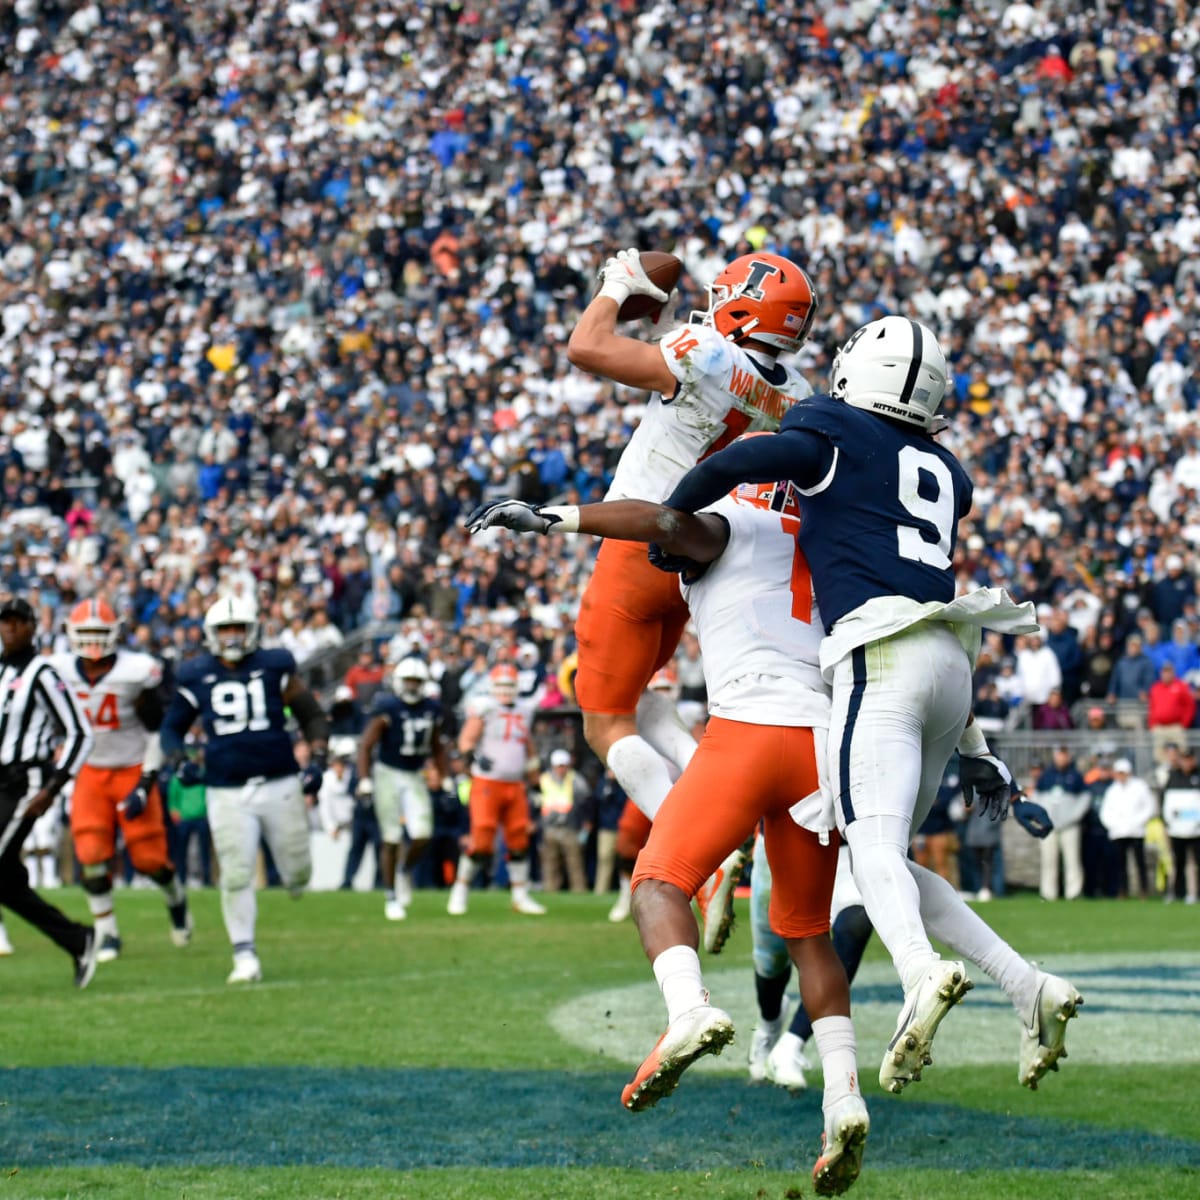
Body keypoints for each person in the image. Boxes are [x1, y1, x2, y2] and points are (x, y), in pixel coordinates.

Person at [657, 315, 1081, 1094]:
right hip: (951, 664)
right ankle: (1028, 987)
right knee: (882, 854)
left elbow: (752, 456)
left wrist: (672, 516)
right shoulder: (949, 470)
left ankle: (921, 972)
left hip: (878, 656)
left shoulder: (834, 427)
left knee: (873, 851)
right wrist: (979, 752)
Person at [469, 477, 869, 1195]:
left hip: (747, 734)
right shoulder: (837, 535)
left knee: (658, 881)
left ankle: (688, 1009)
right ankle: (843, 1096)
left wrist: (554, 518)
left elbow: (660, 520)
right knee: (810, 934)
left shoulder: (733, 520)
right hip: (823, 742)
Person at [557, 248, 818, 951]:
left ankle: (696, 854)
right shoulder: (797, 393)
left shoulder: (703, 352)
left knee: (604, 721)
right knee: (647, 700)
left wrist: (617, 285)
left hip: (644, 537)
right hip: (710, 558)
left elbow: (588, 345)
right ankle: (702, 819)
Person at [160, 594, 329, 983]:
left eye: (239, 628)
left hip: (280, 782)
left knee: (298, 873)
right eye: (225, 629)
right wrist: (178, 759)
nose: (233, 636)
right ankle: (244, 955)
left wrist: (317, 759)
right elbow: (172, 728)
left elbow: (311, 715)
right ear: (211, 634)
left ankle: (294, 881)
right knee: (235, 874)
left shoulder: (276, 666)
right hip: (226, 789)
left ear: (253, 631)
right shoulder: (195, 674)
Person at [51, 598, 191, 962]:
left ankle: (176, 899)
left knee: (148, 858)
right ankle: (107, 931)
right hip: (89, 769)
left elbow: (156, 730)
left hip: (130, 766)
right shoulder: (57, 669)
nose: (93, 641)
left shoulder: (137, 671)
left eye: (100, 632)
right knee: (91, 852)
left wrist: (145, 783)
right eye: (87, 633)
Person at [0, 596, 97, 987]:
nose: (8, 628)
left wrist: (55, 786)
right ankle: (77, 940)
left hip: (27, 782)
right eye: (4, 621)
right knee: (4, 883)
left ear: (32, 627)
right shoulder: (2, 672)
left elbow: (80, 732)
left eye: (16, 621)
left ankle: (78, 940)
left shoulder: (44, 673)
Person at [447, 663, 546, 917]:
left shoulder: (525, 711)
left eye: (509, 685)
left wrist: (535, 784)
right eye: (500, 685)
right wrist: (474, 758)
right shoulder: (484, 708)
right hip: (487, 783)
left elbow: (529, 748)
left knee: (519, 839)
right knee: (481, 840)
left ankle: (520, 896)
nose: (505, 691)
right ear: (492, 687)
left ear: (517, 688)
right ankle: (460, 890)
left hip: (515, 784)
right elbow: (466, 741)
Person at [355, 657, 448, 921]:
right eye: (408, 680)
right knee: (392, 838)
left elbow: (437, 746)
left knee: (422, 834)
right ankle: (391, 896)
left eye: (416, 681)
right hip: (387, 774)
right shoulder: (388, 707)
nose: (412, 686)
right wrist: (364, 778)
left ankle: (404, 871)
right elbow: (366, 745)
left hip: (415, 775)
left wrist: (444, 775)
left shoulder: (432, 708)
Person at [1033, 746, 1091, 901]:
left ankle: (1074, 892)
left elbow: (1084, 799)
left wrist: (1072, 817)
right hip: (1048, 825)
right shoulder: (1046, 776)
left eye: (1064, 755)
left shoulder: (1076, 775)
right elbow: (1037, 796)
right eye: (1059, 755)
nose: (1062, 758)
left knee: (1072, 860)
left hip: (1069, 825)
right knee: (1048, 860)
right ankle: (1048, 893)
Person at [1099, 758, 1158, 898]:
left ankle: (1144, 890)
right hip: (1118, 832)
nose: (1121, 776)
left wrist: (1138, 822)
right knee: (1120, 864)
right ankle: (1122, 890)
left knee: (1140, 862)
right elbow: (1106, 812)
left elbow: (1149, 806)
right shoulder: (1112, 790)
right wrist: (1113, 825)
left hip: (1136, 831)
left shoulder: (1140, 786)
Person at [537, 748, 590, 893]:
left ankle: (579, 893)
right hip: (550, 827)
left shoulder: (576, 779)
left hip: (570, 827)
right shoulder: (544, 779)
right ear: (553, 766)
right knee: (550, 865)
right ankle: (550, 892)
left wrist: (585, 824)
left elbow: (586, 803)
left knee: (575, 864)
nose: (561, 769)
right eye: (559, 766)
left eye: (564, 765)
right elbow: (537, 802)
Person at [1162, 745, 1200, 903]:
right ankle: (1178, 892)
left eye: (1189, 759)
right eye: (1184, 759)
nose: (1187, 763)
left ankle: (1195, 893)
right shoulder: (1173, 777)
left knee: (1197, 863)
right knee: (1178, 862)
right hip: (1177, 829)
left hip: (1197, 830)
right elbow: (1169, 804)